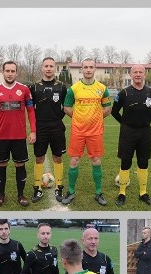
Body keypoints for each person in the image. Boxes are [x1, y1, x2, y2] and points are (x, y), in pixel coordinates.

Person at [61, 58, 112, 206]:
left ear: (95, 69)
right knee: (74, 160)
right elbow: (67, 108)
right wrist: (79, 119)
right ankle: (70, 192)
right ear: (81, 69)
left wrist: (95, 119)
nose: (88, 70)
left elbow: (107, 108)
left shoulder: (102, 88)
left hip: (95, 132)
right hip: (78, 131)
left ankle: (98, 193)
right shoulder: (74, 89)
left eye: (91, 67)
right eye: (86, 67)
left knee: (96, 160)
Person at [0, 60, 37, 207]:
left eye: (12, 71)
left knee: (19, 164)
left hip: (19, 136)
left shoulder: (24, 90)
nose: (9, 74)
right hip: (1, 136)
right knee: (1, 165)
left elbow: (31, 111)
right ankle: (1, 195)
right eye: (7, 71)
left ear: (16, 72)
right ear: (3, 72)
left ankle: (21, 195)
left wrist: (33, 131)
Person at [110, 64, 151, 206]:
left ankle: (143, 193)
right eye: (135, 72)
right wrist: (125, 123)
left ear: (144, 75)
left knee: (143, 162)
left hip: (145, 133)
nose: (138, 74)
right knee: (125, 162)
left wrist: (145, 122)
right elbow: (114, 111)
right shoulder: (124, 93)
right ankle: (122, 193)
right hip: (128, 133)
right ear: (131, 75)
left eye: (141, 72)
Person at [29, 57, 68, 203]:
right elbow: (30, 109)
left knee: (58, 157)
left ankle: (59, 187)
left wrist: (58, 116)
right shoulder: (34, 87)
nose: (49, 68)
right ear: (42, 68)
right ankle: (37, 189)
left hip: (57, 126)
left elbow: (67, 106)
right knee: (39, 157)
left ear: (54, 68)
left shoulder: (61, 86)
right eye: (46, 66)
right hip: (40, 127)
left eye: (51, 66)